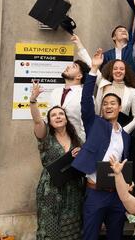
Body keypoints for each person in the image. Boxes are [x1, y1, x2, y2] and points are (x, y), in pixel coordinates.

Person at [72, 48, 131, 240]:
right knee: (90, 236)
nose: (108, 106)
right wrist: (93, 70)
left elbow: (125, 164)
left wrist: (129, 183)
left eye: (113, 103)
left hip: (117, 196)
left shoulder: (125, 135)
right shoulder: (94, 123)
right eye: (105, 103)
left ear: (120, 107)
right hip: (95, 193)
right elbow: (85, 102)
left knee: (116, 236)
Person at [29, 82, 84, 239]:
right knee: (50, 229)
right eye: (53, 115)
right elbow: (38, 121)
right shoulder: (46, 137)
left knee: (72, 229)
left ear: (66, 119)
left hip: (73, 190)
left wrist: (81, 155)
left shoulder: (77, 140)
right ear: (50, 122)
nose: (58, 117)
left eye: (61, 114)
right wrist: (33, 100)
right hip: (51, 190)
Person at [95, 59, 135, 134]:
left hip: (119, 131)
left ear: (125, 72)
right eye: (115, 68)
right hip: (101, 129)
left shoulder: (132, 92)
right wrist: (80, 48)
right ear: (111, 71)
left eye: (121, 69)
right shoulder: (103, 83)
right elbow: (93, 66)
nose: (118, 71)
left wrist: (124, 131)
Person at [49, 59, 89, 142]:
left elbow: (87, 124)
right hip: (54, 143)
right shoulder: (55, 92)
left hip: (77, 144)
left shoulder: (85, 96)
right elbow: (48, 118)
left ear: (79, 76)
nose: (68, 66)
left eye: (73, 67)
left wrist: (82, 146)